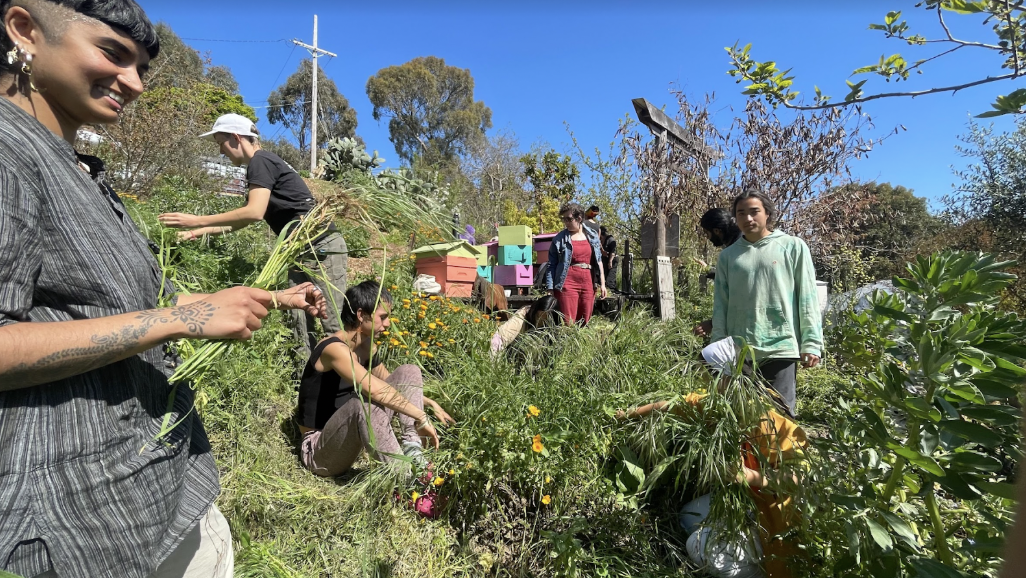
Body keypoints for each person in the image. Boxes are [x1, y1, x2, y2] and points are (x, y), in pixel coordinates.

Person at [0, 2, 327, 576]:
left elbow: (135, 304)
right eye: (113, 54)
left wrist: (274, 299)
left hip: (155, 486)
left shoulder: (75, 165)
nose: (135, 83)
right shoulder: (9, 152)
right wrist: (176, 322)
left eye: (142, 68)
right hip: (84, 517)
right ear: (25, 30)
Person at [157, 113, 348, 362]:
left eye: (221, 144)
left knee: (328, 322)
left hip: (320, 246)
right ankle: (306, 387)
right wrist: (198, 231)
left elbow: (254, 213)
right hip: (299, 249)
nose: (222, 152)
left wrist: (197, 219)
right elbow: (243, 219)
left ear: (236, 138)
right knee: (299, 319)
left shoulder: (260, 161)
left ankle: (343, 388)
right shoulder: (263, 164)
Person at [618, 337, 808, 578]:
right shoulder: (718, 405)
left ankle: (755, 570)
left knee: (698, 546)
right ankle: (738, 547)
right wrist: (625, 415)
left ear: (725, 378)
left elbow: (795, 481)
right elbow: (670, 405)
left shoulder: (774, 423)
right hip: (749, 499)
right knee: (689, 515)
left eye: (707, 376)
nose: (703, 383)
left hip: (775, 517)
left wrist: (749, 476)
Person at [296, 281, 455, 480]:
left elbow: (394, 385)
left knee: (408, 371)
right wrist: (420, 416)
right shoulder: (334, 349)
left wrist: (427, 402)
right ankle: (406, 478)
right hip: (319, 450)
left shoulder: (366, 347)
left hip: (347, 436)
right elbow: (377, 391)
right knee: (362, 405)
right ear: (361, 315)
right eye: (383, 317)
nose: (388, 324)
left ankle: (412, 448)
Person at [710, 190, 823, 418]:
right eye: (741, 213)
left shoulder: (792, 246)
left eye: (754, 212)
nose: (748, 219)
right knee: (741, 417)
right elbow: (721, 304)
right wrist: (718, 346)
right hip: (739, 349)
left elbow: (808, 296)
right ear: (735, 218)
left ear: (767, 214)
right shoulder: (729, 256)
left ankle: (784, 454)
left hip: (779, 346)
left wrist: (811, 342)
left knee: (778, 418)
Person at [545, 203, 607, 325]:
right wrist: (550, 288)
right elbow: (551, 264)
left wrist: (603, 284)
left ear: (579, 218)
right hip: (567, 283)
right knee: (568, 321)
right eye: (564, 219)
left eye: (568, 219)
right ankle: (567, 343)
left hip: (588, 283)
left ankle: (582, 344)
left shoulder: (592, 235)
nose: (566, 222)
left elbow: (599, 261)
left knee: (585, 319)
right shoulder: (559, 239)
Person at [693, 208, 743, 337]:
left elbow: (737, 291)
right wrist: (707, 270)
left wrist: (713, 323)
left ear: (717, 231)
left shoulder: (739, 248)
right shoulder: (735, 244)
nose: (708, 237)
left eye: (707, 233)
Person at [489, 295, 561, 357]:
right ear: (535, 311)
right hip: (514, 355)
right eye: (539, 316)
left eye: (544, 319)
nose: (539, 321)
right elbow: (501, 337)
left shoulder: (554, 328)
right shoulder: (522, 317)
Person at [599, 225, 617, 290]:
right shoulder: (601, 241)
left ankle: (612, 292)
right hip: (604, 260)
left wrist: (610, 261)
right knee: (603, 278)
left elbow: (613, 251)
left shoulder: (610, 240)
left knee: (610, 279)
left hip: (612, 260)